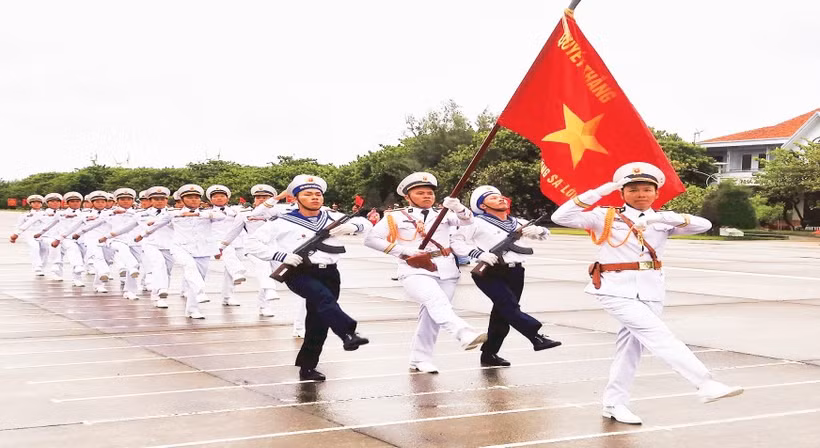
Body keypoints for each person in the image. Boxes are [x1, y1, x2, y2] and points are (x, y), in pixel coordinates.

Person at [551, 162, 743, 425]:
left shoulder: (663, 220)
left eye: (646, 189)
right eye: (632, 189)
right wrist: (600, 191)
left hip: (651, 290)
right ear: (622, 193)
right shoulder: (605, 216)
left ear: (656, 193)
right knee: (658, 335)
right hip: (615, 289)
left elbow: (704, 224)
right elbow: (560, 217)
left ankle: (614, 403)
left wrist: (660, 218)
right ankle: (704, 382)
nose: (640, 194)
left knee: (630, 349)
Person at [245, 174, 372, 381]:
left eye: (318, 194)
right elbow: (252, 243)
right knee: (324, 299)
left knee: (319, 320)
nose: (314, 197)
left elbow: (365, 223)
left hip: (330, 272)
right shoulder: (283, 221)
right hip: (299, 272)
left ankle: (307, 367)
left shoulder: (332, 217)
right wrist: (280, 256)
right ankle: (348, 333)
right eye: (308, 194)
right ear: (296, 198)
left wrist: (354, 227)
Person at [364, 172, 488, 374]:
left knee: (431, 315)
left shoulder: (444, 213)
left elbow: (468, 221)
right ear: (408, 197)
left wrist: (458, 207)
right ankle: (463, 333)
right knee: (436, 301)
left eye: (430, 193)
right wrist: (404, 251)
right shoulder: (395, 217)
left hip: (446, 269)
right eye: (420, 193)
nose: (426, 196)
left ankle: (420, 359)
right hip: (414, 269)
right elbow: (371, 239)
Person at [452, 185, 562, 367]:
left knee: (502, 315)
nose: (500, 198)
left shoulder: (517, 222)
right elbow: (456, 241)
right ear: (483, 206)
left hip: (515, 272)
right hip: (489, 271)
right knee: (509, 307)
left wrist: (539, 231)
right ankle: (535, 336)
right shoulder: (475, 222)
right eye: (493, 198)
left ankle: (489, 354)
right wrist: (478, 254)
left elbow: (545, 234)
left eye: (501, 196)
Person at [137, 184, 225, 319]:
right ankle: (200, 292)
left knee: (198, 276)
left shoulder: (208, 213)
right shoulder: (173, 213)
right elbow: (157, 225)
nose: (193, 200)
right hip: (181, 248)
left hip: (203, 249)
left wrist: (199, 214)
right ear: (182, 200)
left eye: (196, 197)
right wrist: (142, 235)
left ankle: (192, 309)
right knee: (190, 267)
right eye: (189, 197)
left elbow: (221, 216)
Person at [59, 191, 113, 293]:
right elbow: (74, 226)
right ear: (92, 203)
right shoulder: (85, 214)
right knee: (96, 258)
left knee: (108, 260)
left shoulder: (112, 213)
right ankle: (78, 279)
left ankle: (98, 284)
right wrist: (60, 238)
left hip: (106, 240)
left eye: (102, 202)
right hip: (90, 240)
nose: (100, 204)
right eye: (97, 202)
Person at [206, 184, 247, 307]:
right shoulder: (207, 213)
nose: (219, 198)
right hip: (218, 241)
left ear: (227, 198)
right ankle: (238, 271)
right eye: (215, 196)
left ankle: (227, 297)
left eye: (222, 196)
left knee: (229, 271)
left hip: (237, 241)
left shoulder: (236, 211)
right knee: (230, 258)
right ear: (210, 200)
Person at [99, 188, 143, 300]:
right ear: (117, 201)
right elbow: (99, 218)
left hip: (134, 241)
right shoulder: (109, 213)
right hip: (115, 239)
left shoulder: (138, 213)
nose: (126, 201)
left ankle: (129, 291)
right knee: (125, 253)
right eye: (122, 199)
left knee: (135, 267)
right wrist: (112, 212)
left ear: (133, 200)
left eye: (128, 199)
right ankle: (132, 267)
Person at [39, 192, 86, 287]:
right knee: (72, 251)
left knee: (82, 257)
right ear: (67, 203)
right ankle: (63, 274)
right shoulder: (61, 214)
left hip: (81, 238)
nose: (75, 203)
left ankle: (76, 276)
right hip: (65, 238)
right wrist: (41, 233)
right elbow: (51, 225)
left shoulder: (85, 214)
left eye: (77, 201)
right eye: (72, 201)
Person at [9, 194, 48, 276]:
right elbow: (19, 225)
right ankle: (37, 267)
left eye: (38, 202)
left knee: (45, 249)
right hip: (30, 234)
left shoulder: (46, 214)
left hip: (43, 234)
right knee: (35, 247)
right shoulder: (25, 214)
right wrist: (15, 235)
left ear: (41, 204)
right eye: (34, 202)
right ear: (30, 204)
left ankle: (42, 266)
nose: (36, 204)